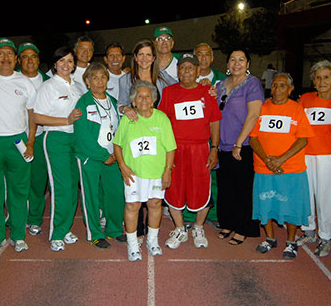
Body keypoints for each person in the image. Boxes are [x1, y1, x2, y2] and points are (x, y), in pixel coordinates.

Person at [158, 53, 222, 249]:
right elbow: (161, 121)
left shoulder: (207, 92)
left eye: (190, 68)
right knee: (173, 188)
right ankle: (179, 228)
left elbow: (214, 122)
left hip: (200, 149)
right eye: (182, 67)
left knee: (202, 189)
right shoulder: (169, 92)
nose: (186, 71)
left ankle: (198, 227)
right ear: (177, 71)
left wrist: (214, 148)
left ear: (197, 71)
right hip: (175, 150)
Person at [0, 38, 36, 253]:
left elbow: (31, 116)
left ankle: (19, 235)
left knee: (19, 191)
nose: (5, 58)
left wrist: (30, 141)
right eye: (1, 54)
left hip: (18, 141)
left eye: (10, 54)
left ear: (16, 58)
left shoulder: (25, 83)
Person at [249, 73, 314, 259]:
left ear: (291, 89)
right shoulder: (262, 108)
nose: (277, 89)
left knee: (291, 206)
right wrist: (268, 160)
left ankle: (291, 241)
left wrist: (280, 160)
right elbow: (253, 139)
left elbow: (302, 140)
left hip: (290, 169)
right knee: (265, 203)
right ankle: (270, 239)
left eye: (282, 86)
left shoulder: (297, 109)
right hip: (264, 168)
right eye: (275, 86)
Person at [113, 80, 177, 261]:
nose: (143, 100)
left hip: (156, 173)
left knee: (155, 204)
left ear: (153, 100)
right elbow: (117, 145)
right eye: (139, 96)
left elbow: (170, 148)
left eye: (147, 96)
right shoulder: (128, 119)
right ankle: (133, 245)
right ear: (133, 101)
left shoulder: (162, 118)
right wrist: (123, 167)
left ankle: (153, 241)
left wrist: (167, 171)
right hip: (133, 173)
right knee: (132, 206)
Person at [32, 46, 83, 252]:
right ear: (55, 64)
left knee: (73, 187)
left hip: (75, 140)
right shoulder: (48, 86)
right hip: (56, 138)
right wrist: (66, 119)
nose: (66, 65)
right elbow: (37, 117)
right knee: (61, 187)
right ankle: (56, 233)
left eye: (70, 61)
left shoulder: (78, 86)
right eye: (62, 61)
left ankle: (65, 227)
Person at [73, 62, 125, 249]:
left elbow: (118, 128)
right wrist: (102, 154)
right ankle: (95, 233)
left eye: (103, 77)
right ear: (87, 82)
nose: (99, 81)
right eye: (94, 78)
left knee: (115, 193)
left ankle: (114, 229)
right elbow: (82, 135)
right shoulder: (83, 103)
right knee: (91, 196)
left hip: (112, 156)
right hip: (92, 158)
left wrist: (115, 153)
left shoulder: (112, 100)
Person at [215, 49, 264, 245]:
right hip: (223, 145)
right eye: (232, 59)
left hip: (242, 145)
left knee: (243, 189)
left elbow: (253, 115)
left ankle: (244, 227)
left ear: (248, 64)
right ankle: (228, 223)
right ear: (227, 64)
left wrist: (238, 143)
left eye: (241, 60)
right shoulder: (219, 85)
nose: (236, 63)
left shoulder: (252, 84)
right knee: (226, 188)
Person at [295, 60, 331, 257]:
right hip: (304, 155)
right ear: (313, 81)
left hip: (328, 157)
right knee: (305, 195)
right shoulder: (304, 99)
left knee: (326, 197)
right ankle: (309, 231)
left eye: (326, 77)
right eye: (318, 78)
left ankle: (326, 236)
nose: (322, 81)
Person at [17, 42, 50, 236]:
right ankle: (17, 217)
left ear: (39, 60)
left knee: (38, 182)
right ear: (19, 60)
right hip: (16, 137)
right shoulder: (10, 79)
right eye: (25, 57)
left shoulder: (47, 81)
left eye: (33, 57)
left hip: (40, 137)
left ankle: (35, 218)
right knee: (18, 182)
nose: (30, 61)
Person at [118, 38, 177, 120]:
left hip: (158, 124)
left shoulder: (162, 76)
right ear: (135, 57)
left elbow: (179, 87)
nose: (144, 58)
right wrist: (125, 109)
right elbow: (120, 105)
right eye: (141, 54)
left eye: (148, 55)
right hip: (136, 124)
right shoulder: (125, 79)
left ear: (153, 58)